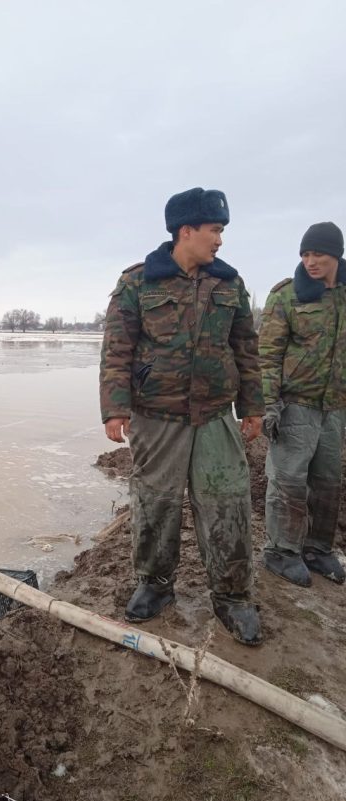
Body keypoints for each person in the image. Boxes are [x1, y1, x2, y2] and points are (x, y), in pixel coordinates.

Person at [100, 187, 264, 646]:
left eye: (222, 231)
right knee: (156, 502)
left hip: (214, 415)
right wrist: (114, 409)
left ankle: (232, 596)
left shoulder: (229, 284)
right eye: (215, 230)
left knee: (227, 501)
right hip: (157, 416)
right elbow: (117, 350)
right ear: (186, 231)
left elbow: (246, 349)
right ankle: (155, 585)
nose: (220, 240)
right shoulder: (138, 282)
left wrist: (252, 407)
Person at [258, 222, 346, 587]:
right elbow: (267, 355)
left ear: (336, 255)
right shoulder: (287, 296)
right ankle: (281, 551)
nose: (310, 261)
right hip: (295, 404)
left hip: (335, 408)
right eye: (305, 254)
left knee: (328, 481)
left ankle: (318, 549)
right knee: (288, 480)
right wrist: (268, 405)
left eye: (318, 255)